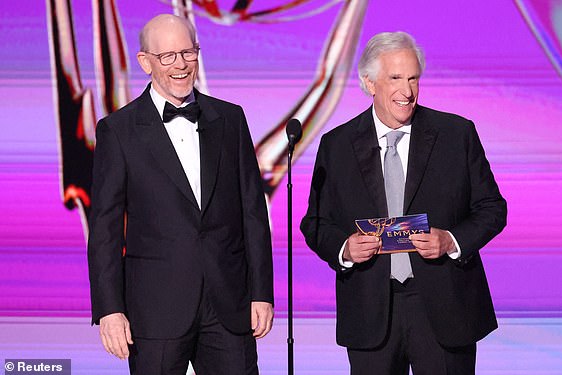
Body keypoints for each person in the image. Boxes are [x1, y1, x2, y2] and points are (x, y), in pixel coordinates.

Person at [300, 31, 507, 375]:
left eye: (413, 78)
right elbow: (316, 222)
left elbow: (492, 208)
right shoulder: (336, 146)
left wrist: (451, 241)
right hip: (370, 310)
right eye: (395, 78)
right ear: (369, 83)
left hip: (445, 308)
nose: (407, 91)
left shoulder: (456, 135)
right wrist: (345, 249)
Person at [87, 14, 274, 375]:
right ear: (145, 62)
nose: (181, 65)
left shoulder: (231, 119)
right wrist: (109, 309)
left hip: (228, 305)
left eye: (188, 53)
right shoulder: (118, 130)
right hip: (155, 311)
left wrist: (261, 292)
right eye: (168, 56)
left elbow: (253, 212)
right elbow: (105, 229)